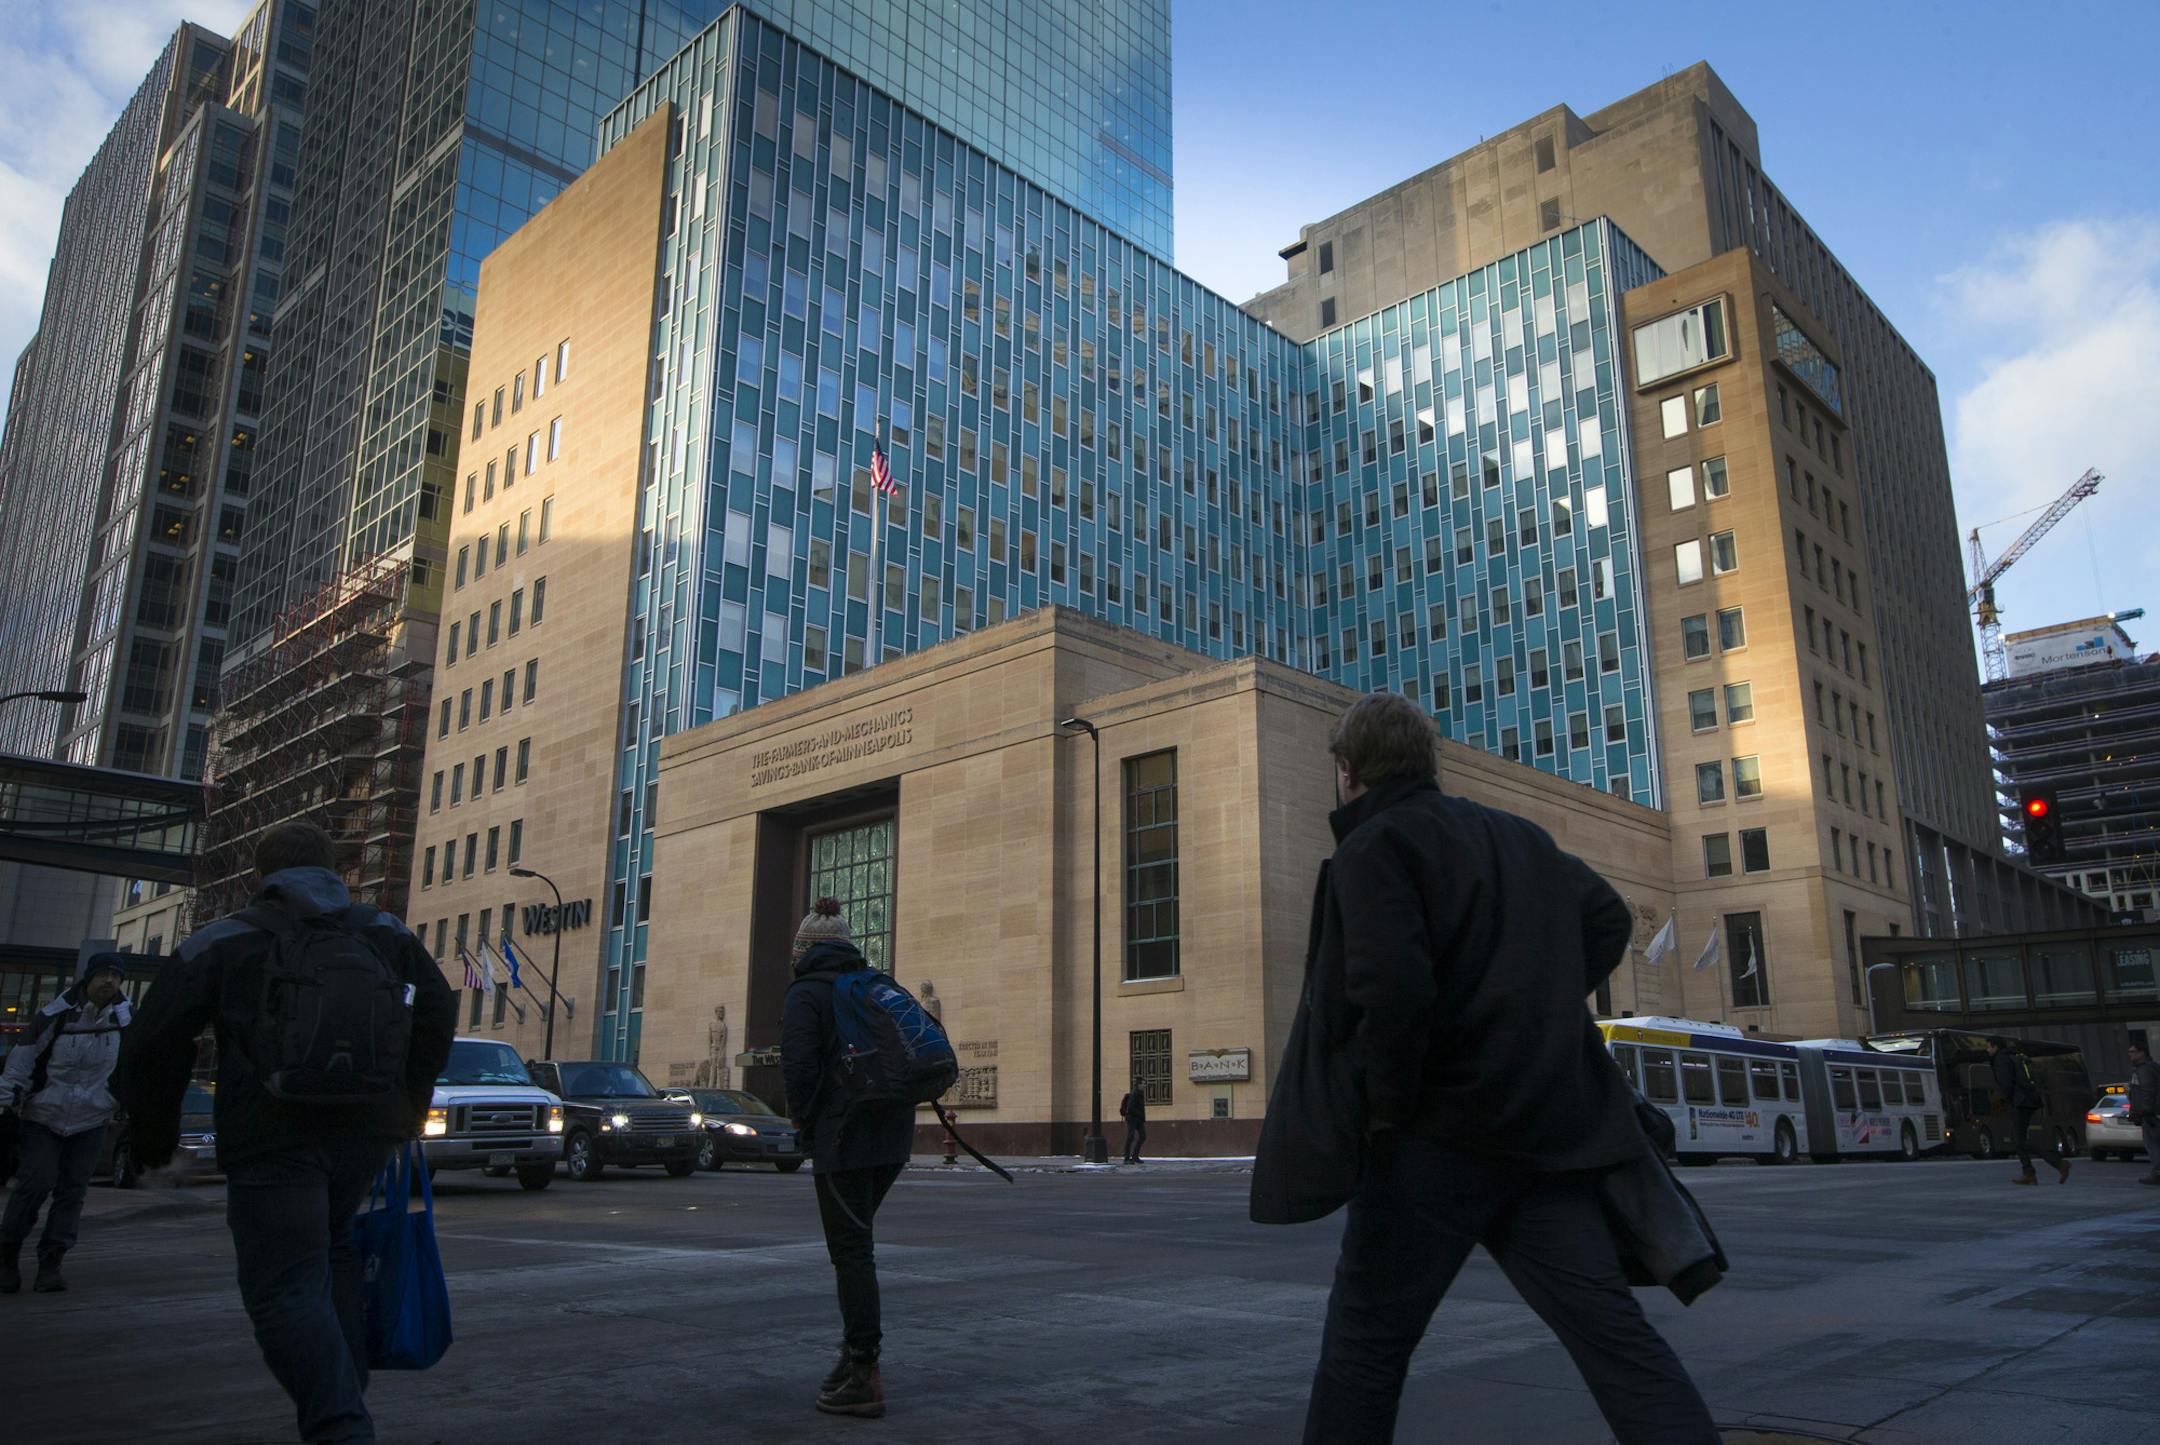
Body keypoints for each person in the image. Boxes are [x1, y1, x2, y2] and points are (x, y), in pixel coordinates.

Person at [1288, 693, 1717, 1444]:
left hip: (1431, 1146)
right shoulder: (1518, 836)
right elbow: (1608, 917)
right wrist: (1534, 1005)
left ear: (1347, 771)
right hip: (1547, 1144)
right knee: (1616, 1343)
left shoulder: (1375, 846)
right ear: (1429, 761)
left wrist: (1387, 1107)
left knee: (1363, 1351)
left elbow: (1391, 990)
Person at [119, 822, 455, 1445]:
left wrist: (153, 1140)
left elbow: (150, 1044)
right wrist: (410, 1103)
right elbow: (438, 1009)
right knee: (334, 1253)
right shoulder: (385, 932)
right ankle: (342, 1401)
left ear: (259, 876)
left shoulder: (223, 940)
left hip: (270, 1131)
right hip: (366, 1131)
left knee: (284, 1287)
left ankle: (340, 1427)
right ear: (334, 871)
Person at [783, 897, 915, 1420]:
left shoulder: (807, 993)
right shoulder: (874, 987)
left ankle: (864, 1371)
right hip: (893, 1138)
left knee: (852, 1252)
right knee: (856, 1243)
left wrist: (805, 1122)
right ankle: (851, 1360)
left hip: (844, 1139)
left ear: (805, 948)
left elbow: (797, 1065)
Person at [0, 954, 130, 1294]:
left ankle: (51, 1263)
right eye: (103, 974)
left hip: (91, 1118)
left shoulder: (125, 1020)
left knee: (72, 1193)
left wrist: (118, 1101)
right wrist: (7, 1105)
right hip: (44, 1115)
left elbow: (135, 1066)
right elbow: (21, 1060)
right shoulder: (55, 1015)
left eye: (115, 976)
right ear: (88, 978)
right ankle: (7, 1256)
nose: (109, 982)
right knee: (34, 1184)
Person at [1986, 1037, 2067, 1185]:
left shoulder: (2001, 1060)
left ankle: (2057, 1164)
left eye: (1989, 1047)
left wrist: (2008, 1101)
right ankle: (2030, 1172)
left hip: (2020, 1102)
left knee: (2019, 1139)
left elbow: (2006, 1084)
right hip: (2027, 1100)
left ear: (1995, 1047)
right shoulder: (2012, 1056)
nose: (1987, 1050)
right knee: (2019, 1139)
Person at [2125, 1040, 2160, 1186]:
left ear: (2141, 1053)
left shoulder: (2143, 1070)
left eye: (2132, 1051)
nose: (2130, 1055)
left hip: (2151, 1115)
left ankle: (2158, 1173)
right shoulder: (2152, 1067)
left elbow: (2147, 1091)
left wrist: (2145, 1112)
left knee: (2153, 1145)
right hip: (2154, 1113)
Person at [1119, 1076, 1149, 1163]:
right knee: (1130, 1137)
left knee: (1143, 1136)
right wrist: (1139, 1114)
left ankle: (1135, 1156)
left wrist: (1141, 1117)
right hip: (1132, 1118)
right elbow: (1131, 1108)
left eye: (1145, 1084)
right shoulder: (1135, 1093)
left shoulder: (1140, 1093)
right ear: (1138, 1085)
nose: (1145, 1086)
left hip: (1138, 1119)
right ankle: (1127, 1158)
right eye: (1143, 1084)